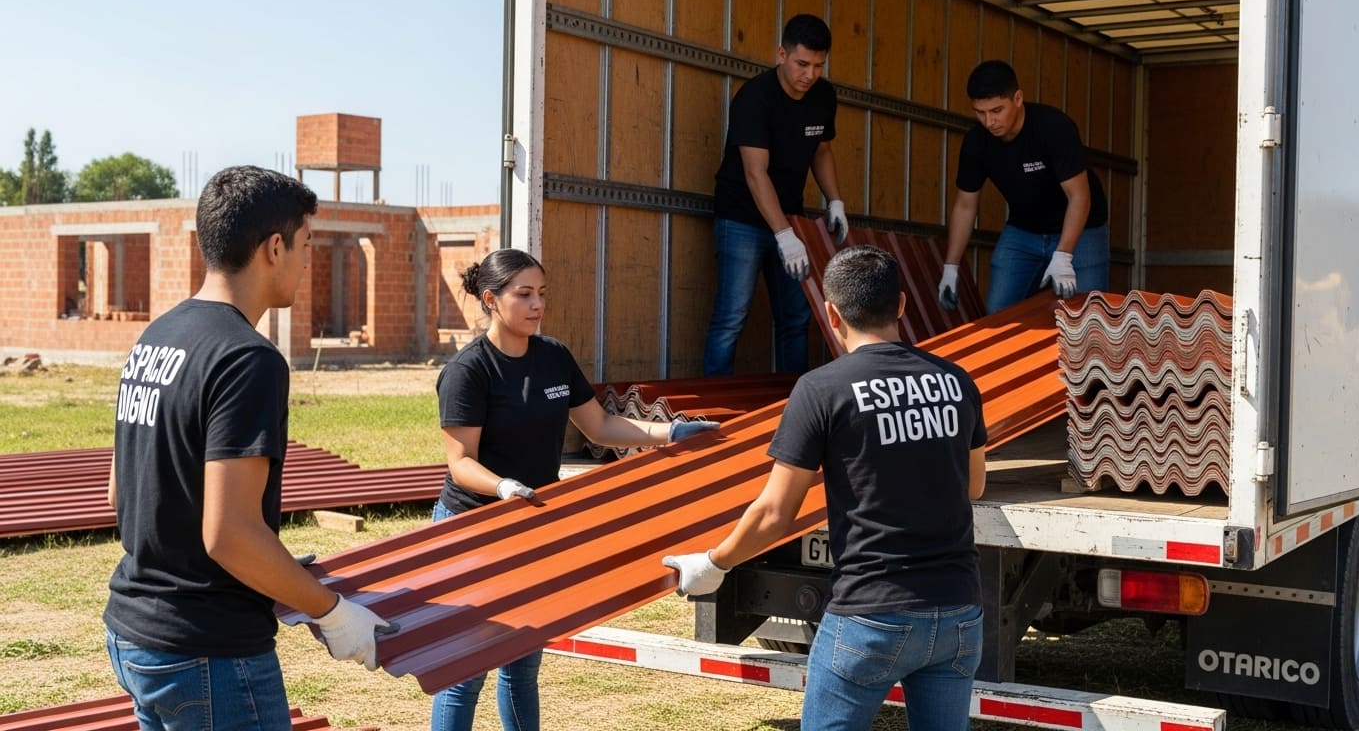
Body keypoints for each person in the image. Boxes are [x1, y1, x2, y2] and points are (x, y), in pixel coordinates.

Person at [104, 166, 393, 731]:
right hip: (209, 652)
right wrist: (331, 613)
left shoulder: (157, 335)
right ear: (275, 246)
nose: (308, 264)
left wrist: (274, 569)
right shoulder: (247, 358)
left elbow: (125, 492)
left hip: (136, 631)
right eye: (307, 245)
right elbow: (229, 533)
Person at [665, 244, 988, 731]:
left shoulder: (822, 388)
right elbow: (974, 486)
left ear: (832, 314)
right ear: (901, 305)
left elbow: (775, 512)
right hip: (960, 611)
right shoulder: (956, 381)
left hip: (871, 613)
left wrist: (714, 564)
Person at [431, 247, 719, 731]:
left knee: (522, 663)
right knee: (466, 670)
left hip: (534, 521)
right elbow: (460, 463)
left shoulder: (554, 357)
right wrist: (502, 487)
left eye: (541, 294)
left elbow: (601, 426)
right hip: (474, 525)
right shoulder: (470, 370)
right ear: (490, 299)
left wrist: (670, 433)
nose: (536, 304)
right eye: (524, 295)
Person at [703, 12, 848, 377]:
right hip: (741, 218)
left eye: (818, 65)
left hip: (790, 217)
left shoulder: (823, 95)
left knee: (795, 317)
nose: (809, 75)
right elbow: (755, 173)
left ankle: (794, 401)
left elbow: (822, 150)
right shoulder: (755, 98)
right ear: (781, 54)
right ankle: (715, 408)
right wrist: (784, 235)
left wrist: (835, 201)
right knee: (731, 317)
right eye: (801, 63)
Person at [939, 59, 1109, 313]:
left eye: (997, 110)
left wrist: (1063, 256)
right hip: (1024, 231)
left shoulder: (1054, 127)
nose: (989, 121)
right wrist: (951, 267)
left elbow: (1079, 196)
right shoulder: (977, 142)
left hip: (1083, 229)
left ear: (1018, 98)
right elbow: (965, 205)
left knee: (1088, 317)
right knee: (998, 315)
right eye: (980, 112)